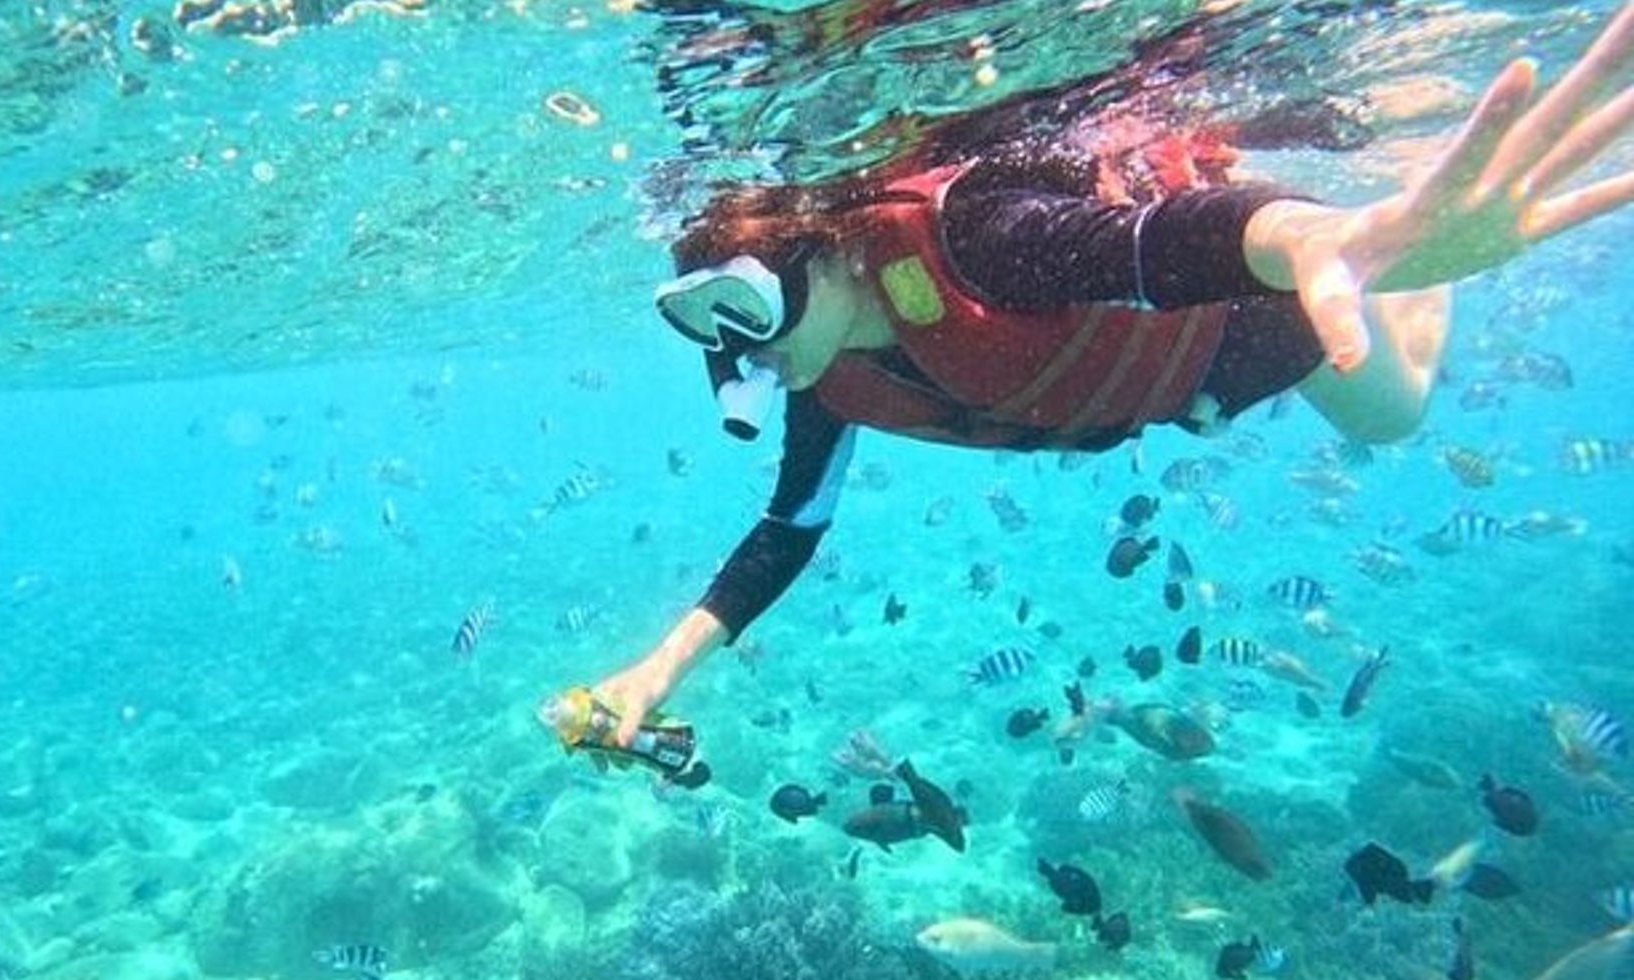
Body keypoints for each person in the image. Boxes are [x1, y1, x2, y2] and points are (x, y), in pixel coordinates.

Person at [591, 6, 1634, 746]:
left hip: (1250, 319)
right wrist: (657, 669)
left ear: (823, 251)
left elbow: (1158, 245)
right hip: (1180, 384)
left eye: (744, 307)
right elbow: (788, 530)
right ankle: (1398, 258)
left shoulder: (972, 237)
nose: (740, 351)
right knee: (1386, 409)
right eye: (703, 327)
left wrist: (1321, 240)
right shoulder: (827, 379)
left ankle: (1411, 269)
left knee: (1392, 413)